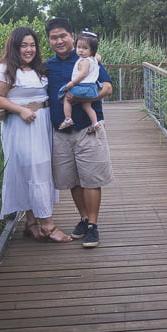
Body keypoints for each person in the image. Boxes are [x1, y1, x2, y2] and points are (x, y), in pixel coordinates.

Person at [0, 26, 72, 243]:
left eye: (32, 45)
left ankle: (32, 222)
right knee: (34, 170)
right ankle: (48, 225)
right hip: (22, 126)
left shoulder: (38, 69)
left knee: (38, 170)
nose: (29, 49)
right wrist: (21, 110)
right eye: (24, 45)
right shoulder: (5, 69)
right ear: (15, 46)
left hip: (42, 125)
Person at [45, 17, 114, 248]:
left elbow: (107, 87)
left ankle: (93, 225)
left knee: (91, 180)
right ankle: (84, 220)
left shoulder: (88, 58)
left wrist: (87, 97)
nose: (59, 40)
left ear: (72, 37)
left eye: (63, 35)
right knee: (73, 181)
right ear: (49, 41)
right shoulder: (47, 66)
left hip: (88, 129)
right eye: (54, 37)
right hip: (62, 131)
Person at [58, 31, 101, 132]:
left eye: (85, 48)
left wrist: (72, 83)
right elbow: (99, 57)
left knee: (66, 98)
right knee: (87, 106)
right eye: (79, 47)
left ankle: (68, 118)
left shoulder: (84, 61)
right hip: (91, 87)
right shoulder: (94, 59)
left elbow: (83, 74)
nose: (81, 51)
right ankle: (95, 123)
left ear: (92, 50)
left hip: (83, 86)